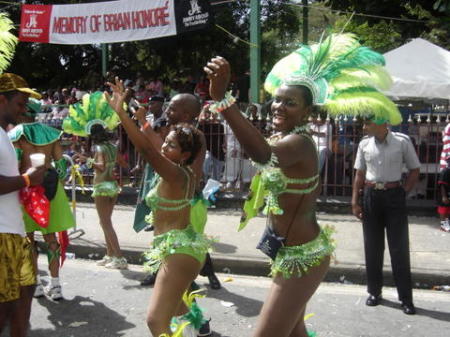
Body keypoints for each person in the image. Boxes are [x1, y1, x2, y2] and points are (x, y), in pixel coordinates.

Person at [204, 32, 401, 336]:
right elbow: (257, 145)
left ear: (307, 112)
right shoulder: (282, 138)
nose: (278, 106)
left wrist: (223, 100)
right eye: (277, 100)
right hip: (287, 253)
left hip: (304, 257)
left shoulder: (300, 143)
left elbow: (262, 154)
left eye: (290, 103)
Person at [106, 78, 213, 337]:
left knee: (155, 321)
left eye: (171, 145)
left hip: (179, 250)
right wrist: (141, 121)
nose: (164, 145)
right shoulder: (179, 165)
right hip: (175, 246)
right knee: (176, 313)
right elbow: (155, 145)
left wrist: (121, 113)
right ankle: (199, 326)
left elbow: (147, 149)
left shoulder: (177, 172)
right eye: (166, 142)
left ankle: (198, 325)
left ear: (185, 154)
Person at [352, 117, 420, 315]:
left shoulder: (402, 142)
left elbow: (415, 169)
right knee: (372, 246)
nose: (364, 127)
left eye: (368, 123)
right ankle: (374, 292)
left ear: (382, 123)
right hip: (371, 196)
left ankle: (406, 298)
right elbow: (359, 174)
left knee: (399, 248)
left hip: (394, 196)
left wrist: (403, 192)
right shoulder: (364, 144)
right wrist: (355, 201)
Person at [8, 98, 75, 300]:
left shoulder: (15, 135)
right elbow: (62, 169)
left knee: (28, 240)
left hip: (26, 193)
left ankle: (35, 284)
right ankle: (55, 285)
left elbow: (15, 166)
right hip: (51, 192)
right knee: (51, 240)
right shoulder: (51, 134)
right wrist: (55, 185)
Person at [0, 72, 46, 337]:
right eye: (19, 103)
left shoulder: (5, 135)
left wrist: (27, 178)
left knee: (23, 299)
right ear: (2, 100)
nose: (23, 110)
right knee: (5, 308)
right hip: (2, 234)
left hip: (15, 233)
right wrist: (28, 178)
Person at [62, 91, 127, 270]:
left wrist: (86, 160)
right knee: (106, 222)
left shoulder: (98, 147)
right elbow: (122, 162)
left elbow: (99, 165)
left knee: (105, 223)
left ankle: (120, 257)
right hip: (113, 186)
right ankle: (110, 254)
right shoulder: (112, 146)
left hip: (102, 187)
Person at [437, 158, 450, 232]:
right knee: (443, 209)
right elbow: (442, 184)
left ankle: (446, 224)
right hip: (444, 194)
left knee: (448, 210)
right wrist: (444, 196)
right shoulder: (445, 171)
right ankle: (442, 225)